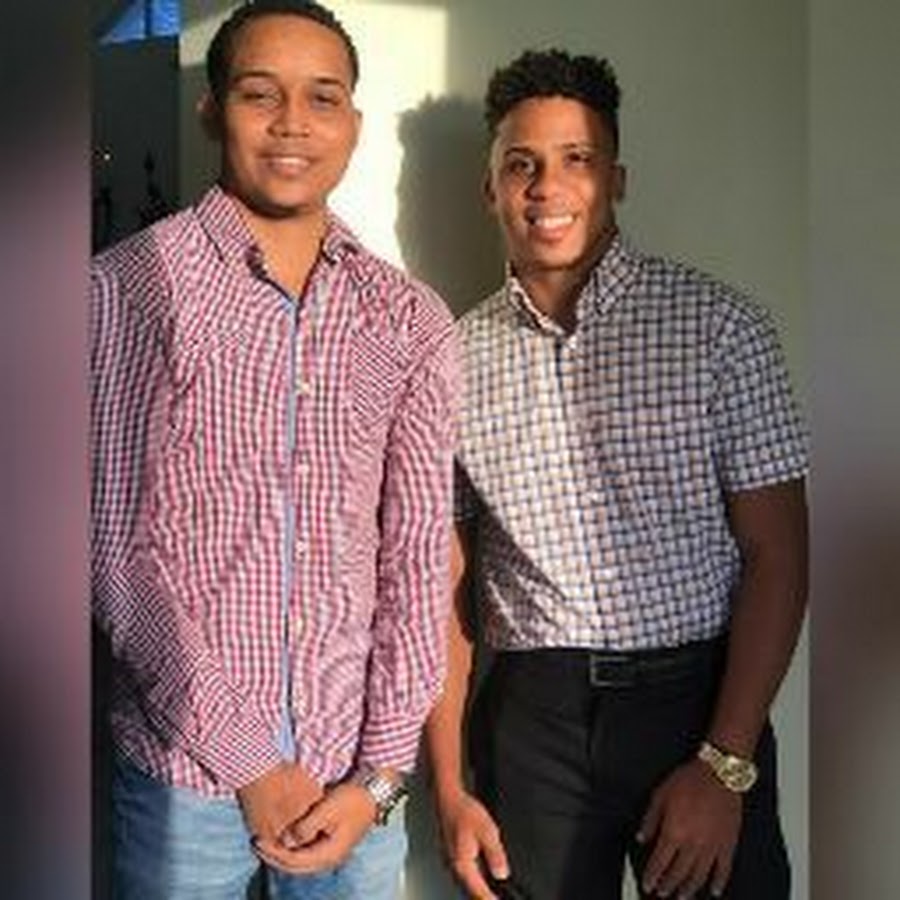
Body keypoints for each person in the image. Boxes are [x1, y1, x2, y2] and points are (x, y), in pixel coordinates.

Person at [90, 2, 458, 897]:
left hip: (352, 783)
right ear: (212, 110)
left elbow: (417, 561)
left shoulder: (408, 318)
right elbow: (113, 553)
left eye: (322, 98)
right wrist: (249, 759)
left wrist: (379, 778)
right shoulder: (128, 289)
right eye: (261, 94)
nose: (293, 123)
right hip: (186, 775)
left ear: (353, 123)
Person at [426, 49, 808, 900]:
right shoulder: (447, 360)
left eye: (577, 159)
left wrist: (726, 762)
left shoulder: (722, 330)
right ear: (490, 188)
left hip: (698, 704)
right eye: (520, 164)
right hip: (533, 719)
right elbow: (444, 582)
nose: (546, 187)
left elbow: (778, 557)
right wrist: (449, 786)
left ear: (617, 180)